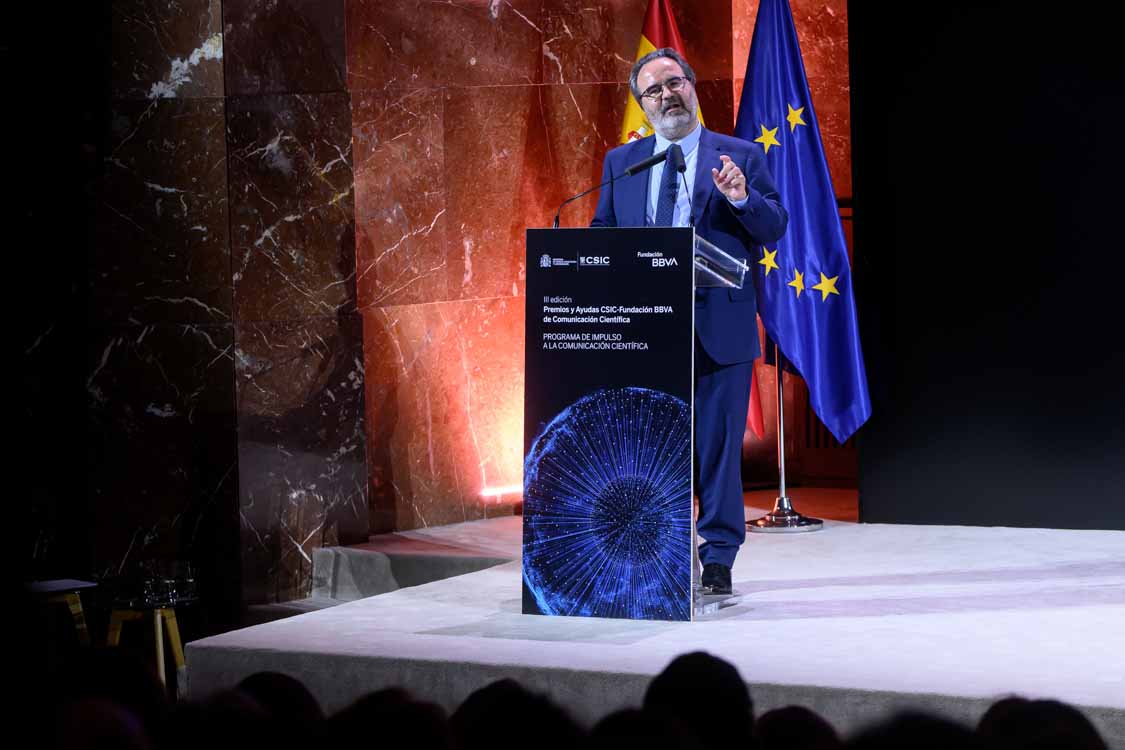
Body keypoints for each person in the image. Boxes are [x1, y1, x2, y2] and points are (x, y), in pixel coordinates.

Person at [591, 48, 788, 594]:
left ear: (692, 86)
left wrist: (743, 197)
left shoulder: (739, 155)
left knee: (718, 450)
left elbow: (774, 225)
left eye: (673, 83)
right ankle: (656, 553)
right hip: (646, 330)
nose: (666, 96)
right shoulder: (620, 163)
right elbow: (603, 232)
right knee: (651, 448)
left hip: (718, 330)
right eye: (653, 91)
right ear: (641, 105)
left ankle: (718, 555)